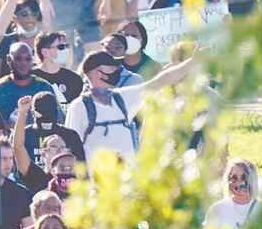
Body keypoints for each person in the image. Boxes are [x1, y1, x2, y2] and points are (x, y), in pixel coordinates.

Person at [64, 49, 199, 164]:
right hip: (98, 185)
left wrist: (191, 62)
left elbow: (161, 81)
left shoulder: (122, 98)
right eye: (112, 67)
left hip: (128, 183)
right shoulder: (79, 107)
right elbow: (69, 147)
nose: (118, 70)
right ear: (98, 73)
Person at [0, 42, 58, 126]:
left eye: (28, 59)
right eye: (18, 59)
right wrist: (4, 126)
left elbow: (59, 121)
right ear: (8, 59)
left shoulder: (44, 87)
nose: (23, 63)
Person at [206, 158, 259, 229]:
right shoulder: (216, 209)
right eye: (233, 178)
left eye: (244, 178)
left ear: (252, 180)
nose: (239, 183)